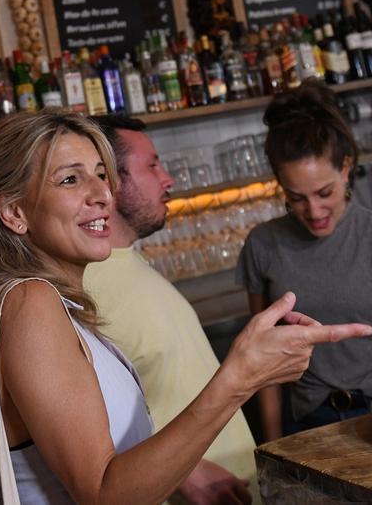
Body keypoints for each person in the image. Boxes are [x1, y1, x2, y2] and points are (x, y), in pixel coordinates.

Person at [0, 110, 372, 503]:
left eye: (103, 175)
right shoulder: (29, 301)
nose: (103, 194)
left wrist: (186, 468)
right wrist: (239, 379)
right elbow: (105, 494)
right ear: (13, 212)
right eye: (70, 180)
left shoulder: (41, 302)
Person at [237, 82, 372, 440]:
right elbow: (263, 361)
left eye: (325, 193)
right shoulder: (263, 243)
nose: (314, 211)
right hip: (308, 424)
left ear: (346, 168)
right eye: (296, 198)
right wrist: (272, 447)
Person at [84, 116, 257, 505]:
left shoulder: (129, 262)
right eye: (152, 165)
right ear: (108, 180)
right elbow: (83, 428)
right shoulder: (84, 288)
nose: (168, 179)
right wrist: (187, 474)